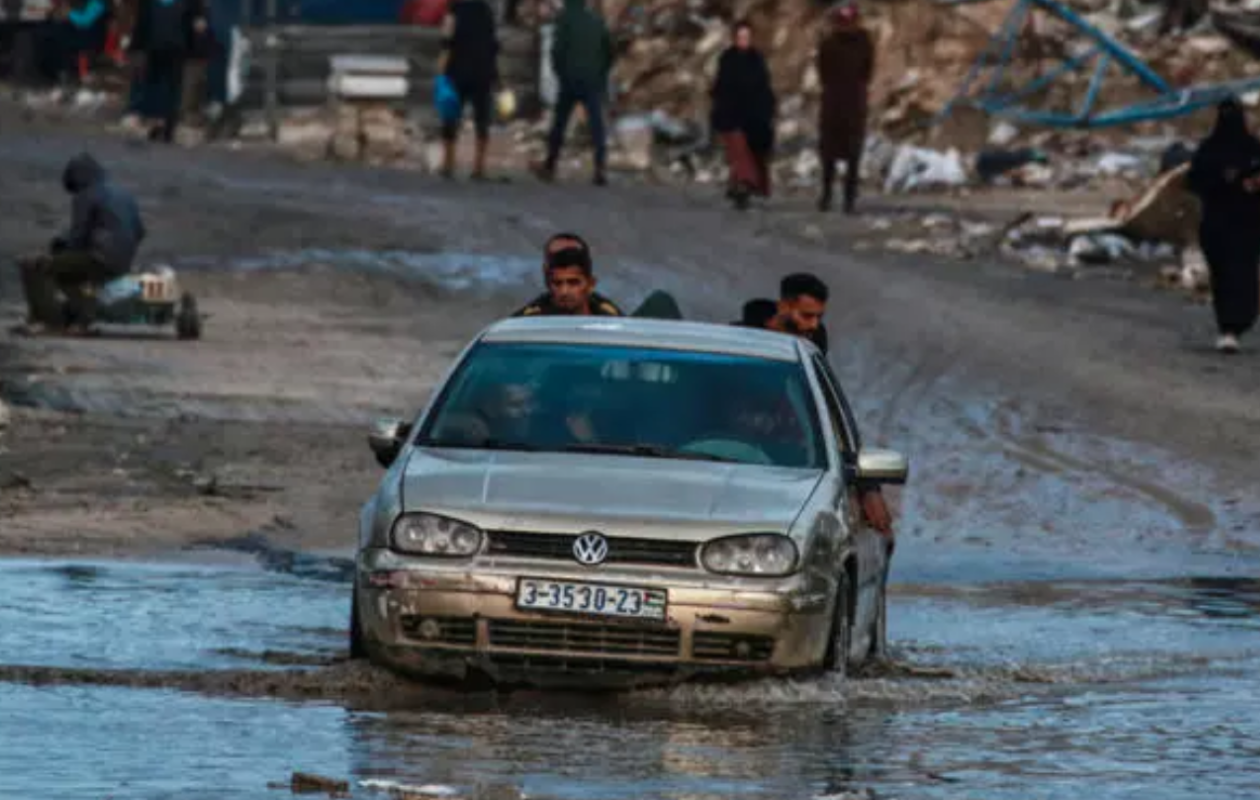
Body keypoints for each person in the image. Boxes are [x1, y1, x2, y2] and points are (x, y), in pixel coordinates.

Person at [16, 153, 146, 335]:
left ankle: (50, 321)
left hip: (99, 258)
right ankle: (81, 319)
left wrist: (56, 253)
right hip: (122, 263)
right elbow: (140, 231)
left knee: (35, 266)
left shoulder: (86, 195)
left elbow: (78, 236)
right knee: (67, 274)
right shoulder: (124, 193)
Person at [1187, 97, 1260, 354]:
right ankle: (1229, 328)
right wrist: (1224, 181)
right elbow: (1194, 181)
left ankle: (1236, 324)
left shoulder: (1252, 149)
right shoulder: (1210, 150)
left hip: (1246, 223)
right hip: (1219, 224)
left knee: (1241, 275)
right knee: (1225, 276)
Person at [534, 0, 615, 186]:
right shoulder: (596, 21)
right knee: (596, 124)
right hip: (591, 80)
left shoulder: (564, 20)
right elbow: (609, 52)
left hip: (570, 80)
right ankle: (600, 168)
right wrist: (600, 74)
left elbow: (556, 51)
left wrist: (560, 73)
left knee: (560, 123)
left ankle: (550, 165)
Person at [709, 20, 776, 210]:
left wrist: (768, 108)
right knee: (740, 152)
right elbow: (721, 86)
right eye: (740, 37)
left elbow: (764, 86)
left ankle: (739, 185)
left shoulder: (757, 59)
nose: (743, 40)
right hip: (731, 114)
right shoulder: (727, 59)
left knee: (750, 151)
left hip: (753, 115)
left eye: (746, 37)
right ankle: (744, 184)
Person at [817, 3, 874, 214]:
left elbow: (823, 72)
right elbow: (867, 72)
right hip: (846, 102)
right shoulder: (837, 44)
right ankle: (836, 197)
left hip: (841, 102)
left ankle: (835, 197)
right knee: (840, 154)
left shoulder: (832, 43)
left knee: (839, 154)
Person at [437, 0, 500, 180]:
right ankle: (479, 167)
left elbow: (446, 41)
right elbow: (493, 45)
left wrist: (440, 72)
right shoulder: (486, 11)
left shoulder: (454, 10)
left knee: (450, 116)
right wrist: (495, 75)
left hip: (457, 70)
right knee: (482, 118)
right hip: (483, 71)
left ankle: (448, 163)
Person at [129, 0, 207, 143]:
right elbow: (198, 22)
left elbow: (143, 20)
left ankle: (161, 122)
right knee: (167, 85)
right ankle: (164, 123)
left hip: (165, 45)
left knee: (161, 84)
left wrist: (135, 45)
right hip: (168, 45)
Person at [513, 235, 623, 317]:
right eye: (557, 283)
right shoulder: (528, 321)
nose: (564, 291)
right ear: (548, 284)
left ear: (591, 284)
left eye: (573, 283)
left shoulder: (613, 320)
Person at [766, 272, 829, 354]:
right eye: (807, 316)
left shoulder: (817, 339)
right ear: (783, 307)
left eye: (819, 317)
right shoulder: (752, 329)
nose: (814, 325)